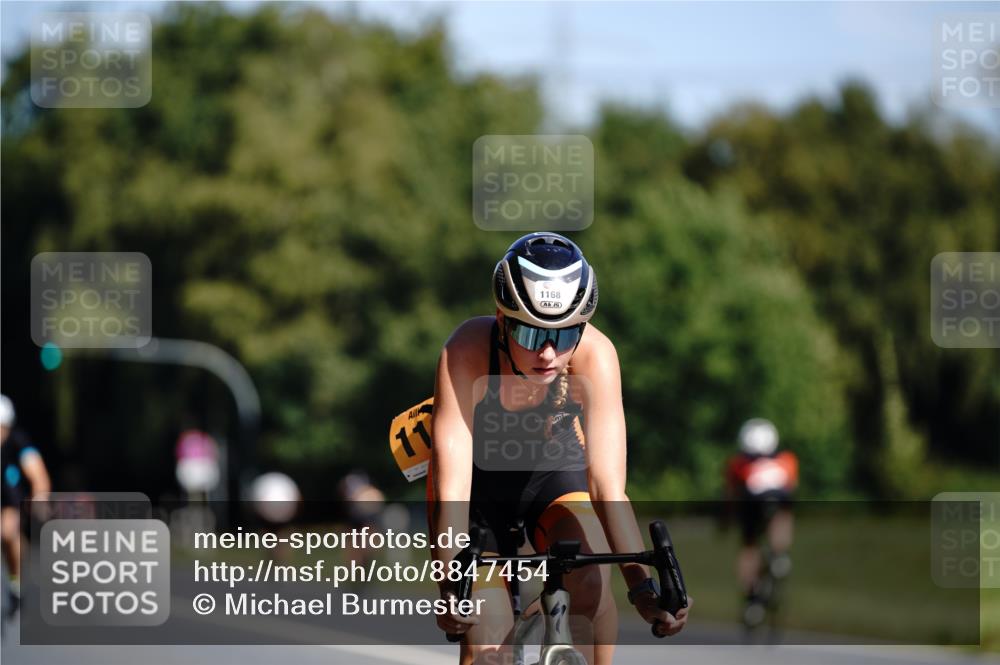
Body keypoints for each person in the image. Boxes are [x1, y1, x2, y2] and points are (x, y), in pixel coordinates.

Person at [428, 233, 689, 665]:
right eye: (531, 333)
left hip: (554, 475)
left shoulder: (597, 355)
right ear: (502, 319)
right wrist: (450, 588)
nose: (549, 352)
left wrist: (643, 590)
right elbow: (451, 487)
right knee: (488, 640)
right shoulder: (466, 350)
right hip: (478, 493)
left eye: (566, 333)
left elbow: (607, 487)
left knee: (589, 578)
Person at [724, 418, 798, 621]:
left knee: (749, 546)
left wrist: (727, 519)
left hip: (750, 502)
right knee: (783, 514)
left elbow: (731, 494)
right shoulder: (787, 460)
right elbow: (792, 487)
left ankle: (751, 597)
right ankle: (780, 553)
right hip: (779, 498)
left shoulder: (738, 464)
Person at [0, 394, 51, 591]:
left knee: (8, 529)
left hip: (10, 497)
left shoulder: (18, 441)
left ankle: (16, 582)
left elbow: (37, 473)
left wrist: (39, 496)